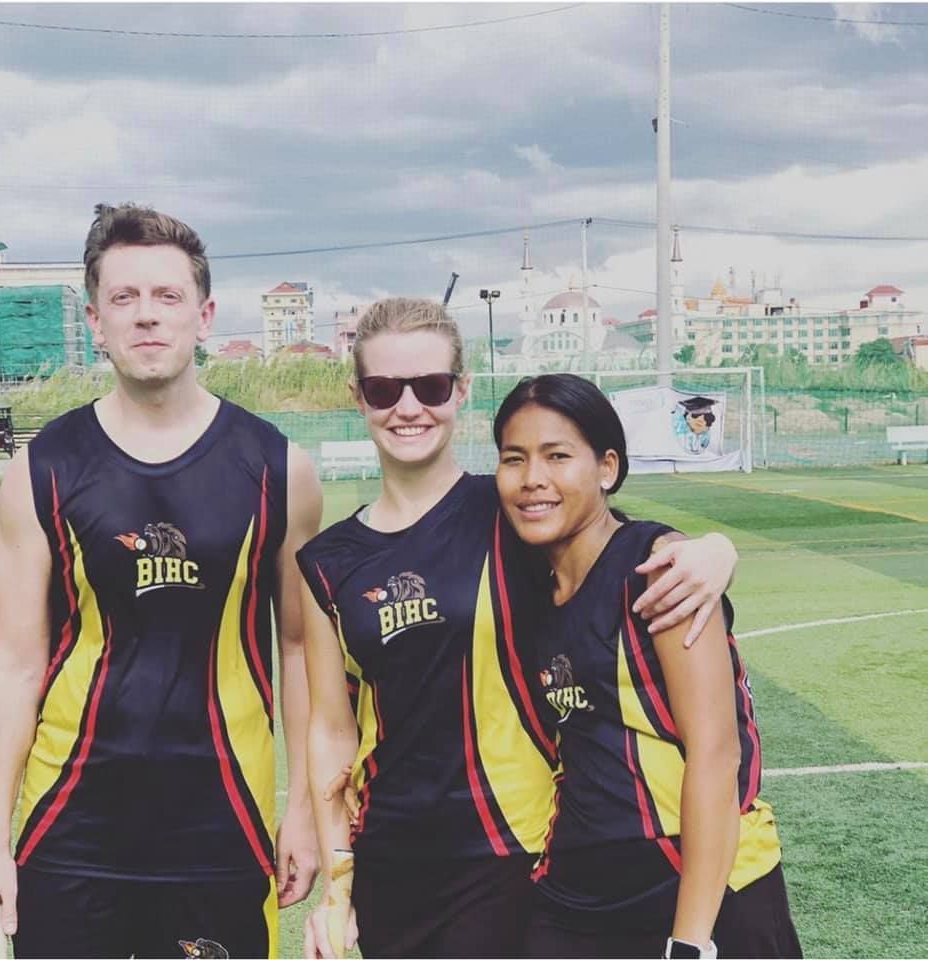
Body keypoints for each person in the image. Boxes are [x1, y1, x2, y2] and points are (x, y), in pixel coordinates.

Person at [297, 298, 741, 960]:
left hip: (517, 854)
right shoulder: (328, 562)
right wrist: (337, 887)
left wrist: (715, 549)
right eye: (385, 389)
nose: (408, 406)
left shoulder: (514, 506)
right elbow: (333, 730)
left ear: (462, 391)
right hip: (391, 861)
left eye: (432, 386)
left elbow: (624, 544)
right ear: (358, 396)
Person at [0, 203, 321, 959]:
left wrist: (304, 813)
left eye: (167, 297)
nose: (147, 318)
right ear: (95, 321)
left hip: (222, 816)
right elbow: (13, 662)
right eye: (124, 300)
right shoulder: (45, 467)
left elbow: (300, 653)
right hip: (71, 820)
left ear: (204, 313)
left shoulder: (277, 469)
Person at [493, 373, 801, 960]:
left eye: (558, 456)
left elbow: (717, 751)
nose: (533, 478)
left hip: (701, 880)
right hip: (583, 882)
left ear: (606, 468)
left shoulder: (661, 570)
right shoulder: (532, 581)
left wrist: (690, 942)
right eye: (515, 458)